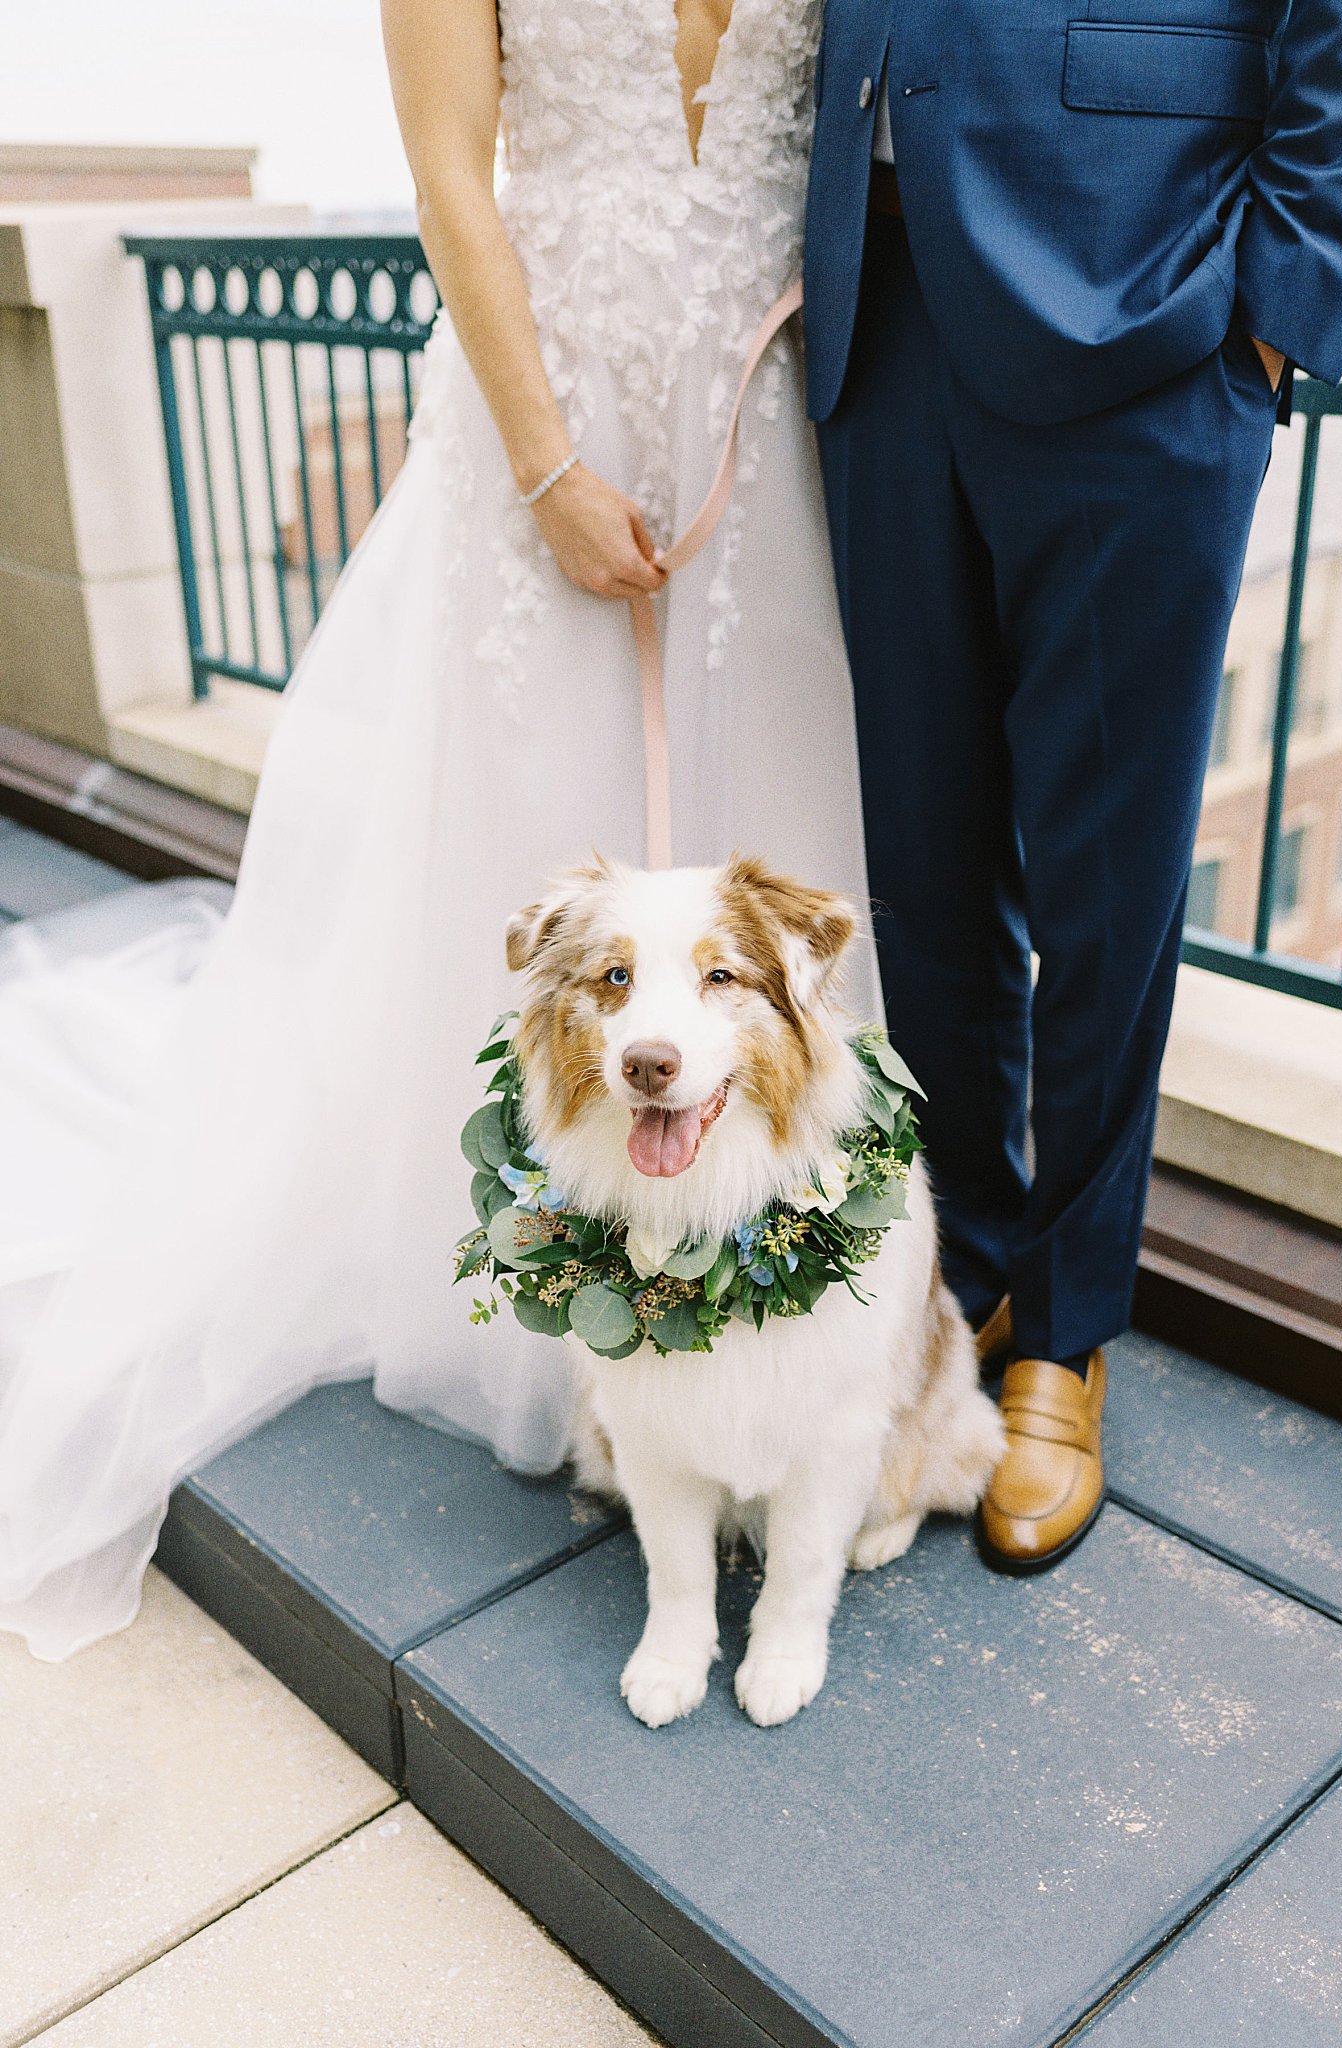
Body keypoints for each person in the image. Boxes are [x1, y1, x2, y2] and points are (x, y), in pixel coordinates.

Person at [0, 0, 877, 1659]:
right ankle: (551, 1284)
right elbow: (448, 178)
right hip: (545, 423)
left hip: (768, 432)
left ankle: (779, 1257)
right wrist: (548, 470)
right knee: (534, 833)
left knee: (767, 849)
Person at [805, 0, 1342, 1571]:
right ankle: (961, 1268)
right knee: (920, 859)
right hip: (880, 307)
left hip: (1143, 309)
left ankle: (1063, 1326)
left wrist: (1273, 313)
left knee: (1104, 888)